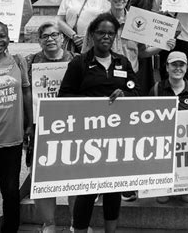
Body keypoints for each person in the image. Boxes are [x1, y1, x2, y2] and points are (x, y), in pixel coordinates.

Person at [59, 13, 139, 233]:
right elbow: (63, 96)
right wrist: (92, 103)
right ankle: (80, 230)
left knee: (114, 189)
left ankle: (110, 231)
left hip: (117, 136)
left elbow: (137, 92)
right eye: (101, 32)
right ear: (92, 35)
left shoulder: (122, 62)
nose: (106, 37)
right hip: (88, 138)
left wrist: (125, 94)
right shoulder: (79, 63)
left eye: (111, 33)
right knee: (87, 189)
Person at [26, 22, 75, 233]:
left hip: (72, 126)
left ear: (62, 38)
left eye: (55, 35)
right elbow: (25, 94)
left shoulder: (76, 60)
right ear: (39, 40)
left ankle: (77, 223)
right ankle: (49, 224)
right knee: (43, 175)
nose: (50, 39)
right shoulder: (30, 61)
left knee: (75, 176)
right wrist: (28, 124)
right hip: (41, 127)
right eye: (45, 36)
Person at [0, 21, 33, 233]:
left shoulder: (17, 61)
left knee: (10, 190)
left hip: (12, 137)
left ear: (9, 37)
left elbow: (26, 91)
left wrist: (29, 123)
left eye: (2, 36)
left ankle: (10, 229)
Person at [149, 51, 188, 205]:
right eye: (174, 65)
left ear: (187, 67)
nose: (178, 68)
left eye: (181, 65)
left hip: (187, 147)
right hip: (163, 144)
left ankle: (185, 186)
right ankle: (163, 186)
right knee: (162, 198)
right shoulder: (156, 89)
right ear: (167, 67)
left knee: (187, 198)